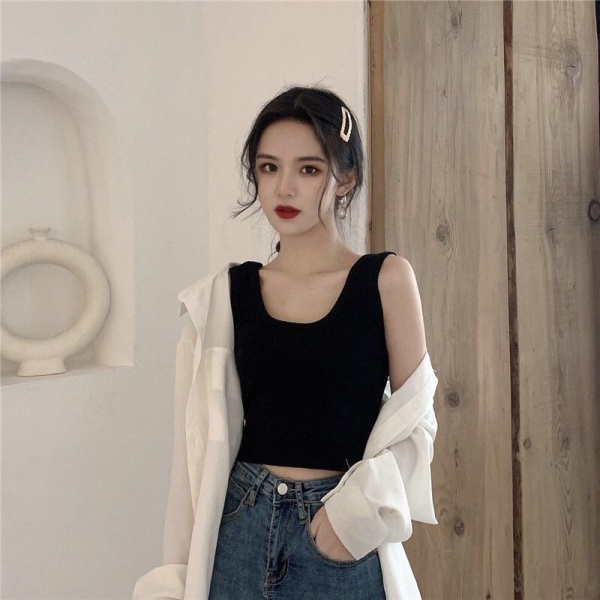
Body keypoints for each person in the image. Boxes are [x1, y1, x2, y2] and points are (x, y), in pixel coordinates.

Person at [132, 85, 439, 600]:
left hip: (337, 530)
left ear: (346, 178)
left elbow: (416, 421)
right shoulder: (226, 293)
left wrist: (351, 516)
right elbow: (192, 450)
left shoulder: (384, 279)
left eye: (309, 169)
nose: (284, 188)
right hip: (241, 524)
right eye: (269, 168)